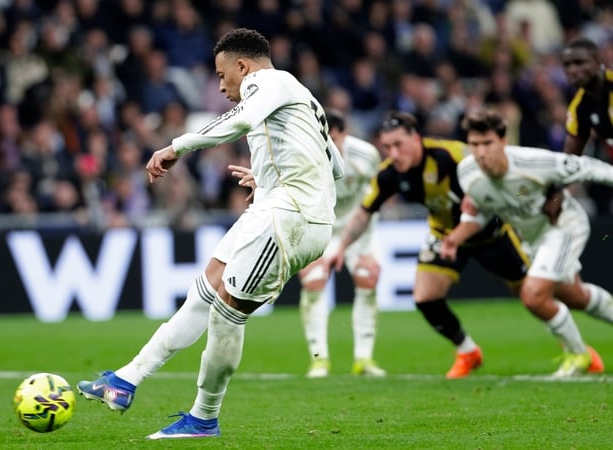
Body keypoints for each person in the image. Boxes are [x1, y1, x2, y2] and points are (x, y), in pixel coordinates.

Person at [77, 28, 342, 439]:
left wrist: (176, 147)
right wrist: (269, 175)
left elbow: (243, 119)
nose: (220, 86)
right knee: (204, 292)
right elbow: (335, 165)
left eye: (222, 75)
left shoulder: (266, 82)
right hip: (276, 206)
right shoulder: (302, 96)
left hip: (289, 217)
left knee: (227, 311)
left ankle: (203, 418)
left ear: (243, 66)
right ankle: (125, 380)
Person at [322, 111, 530, 379]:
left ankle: (572, 345)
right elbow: (364, 212)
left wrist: (497, 196)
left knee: (533, 296)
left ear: (415, 138)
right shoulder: (390, 173)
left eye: (399, 145)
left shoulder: (450, 155)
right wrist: (340, 248)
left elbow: (504, 176)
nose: (393, 154)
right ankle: (468, 351)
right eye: (387, 147)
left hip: (490, 233)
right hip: (444, 235)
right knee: (424, 297)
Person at [441, 109, 613, 376]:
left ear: (503, 141)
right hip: (534, 239)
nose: (481, 152)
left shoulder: (533, 161)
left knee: (533, 295)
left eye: (487, 143)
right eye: (474, 144)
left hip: (564, 227)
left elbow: (590, 167)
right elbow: (480, 211)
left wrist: (557, 196)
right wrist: (454, 239)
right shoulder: (467, 173)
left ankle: (580, 355)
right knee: (576, 297)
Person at [230, 109, 385, 378]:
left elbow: (377, 194)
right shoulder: (304, 152)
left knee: (367, 277)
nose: (328, 145)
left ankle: (364, 358)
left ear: (344, 134)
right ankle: (319, 359)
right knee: (313, 281)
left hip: (358, 229)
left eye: (333, 139)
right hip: (320, 226)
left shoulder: (366, 155)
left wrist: (361, 235)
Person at [559, 37, 613, 216]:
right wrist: (557, 194)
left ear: (598, 62)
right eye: (567, 65)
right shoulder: (578, 108)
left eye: (579, 62)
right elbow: (569, 161)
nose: (572, 70)